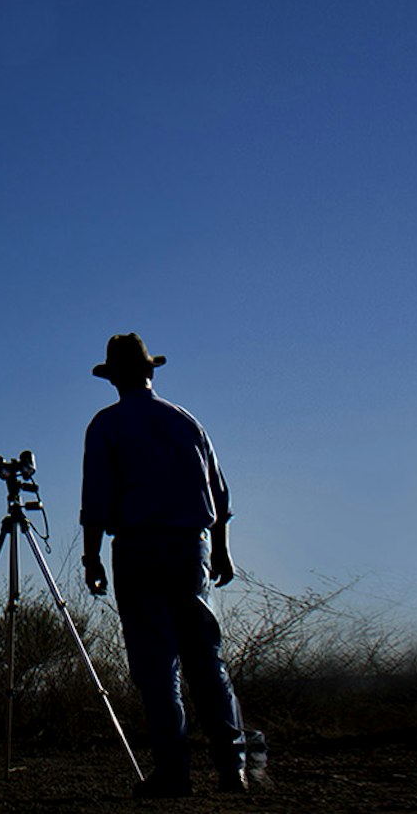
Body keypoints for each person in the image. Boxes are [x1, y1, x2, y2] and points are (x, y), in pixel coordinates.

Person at [79, 333, 248, 798]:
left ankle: (174, 771)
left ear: (113, 377)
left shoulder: (107, 425)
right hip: (189, 545)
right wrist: (220, 548)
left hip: (137, 548)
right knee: (205, 659)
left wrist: (92, 554)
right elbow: (218, 493)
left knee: (156, 664)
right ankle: (233, 767)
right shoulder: (185, 421)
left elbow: (96, 497)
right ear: (150, 372)